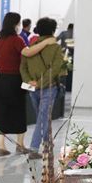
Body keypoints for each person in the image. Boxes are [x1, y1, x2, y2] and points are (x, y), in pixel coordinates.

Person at [0, 12, 57, 156]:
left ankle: (1, 146)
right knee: (18, 111)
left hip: (0, 80)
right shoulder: (16, 40)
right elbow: (28, 52)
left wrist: (2, 60)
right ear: (15, 25)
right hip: (15, 80)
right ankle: (20, 145)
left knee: (1, 112)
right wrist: (46, 42)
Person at [20, 17, 66, 157]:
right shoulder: (56, 48)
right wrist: (41, 83)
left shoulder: (30, 47)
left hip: (32, 88)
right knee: (43, 117)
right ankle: (34, 148)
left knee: (43, 116)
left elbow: (22, 67)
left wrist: (30, 81)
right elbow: (56, 68)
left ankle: (47, 143)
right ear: (53, 30)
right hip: (48, 87)